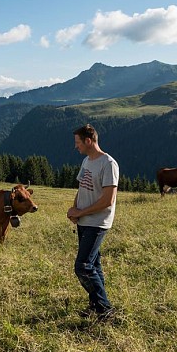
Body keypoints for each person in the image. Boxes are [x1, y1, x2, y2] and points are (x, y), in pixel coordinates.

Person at [66, 124, 119, 321]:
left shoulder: (108, 164)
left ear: (89, 141)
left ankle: (105, 309)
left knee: (83, 266)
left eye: (78, 142)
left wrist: (82, 211)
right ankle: (96, 306)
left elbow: (108, 200)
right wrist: (74, 210)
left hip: (98, 222)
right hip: (84, 220)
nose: (76, 147)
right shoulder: (87, 161)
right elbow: (82, 188)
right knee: (94, 265)